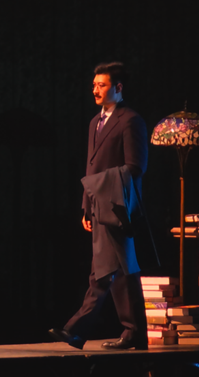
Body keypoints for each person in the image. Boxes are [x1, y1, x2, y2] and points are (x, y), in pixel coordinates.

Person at [49, 62, 149, 351]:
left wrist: (104, 191)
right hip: (99, 205)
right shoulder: (95, 122)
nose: (95, 90)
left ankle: (76, 330)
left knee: (104, 273)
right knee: (117, 271)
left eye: (101, 85)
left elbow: (136, 166)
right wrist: (86, 205)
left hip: (118, 206)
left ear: (118, 87)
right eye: (94, 85)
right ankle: (134, 333)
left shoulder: (130, 120)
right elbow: (90, 166)